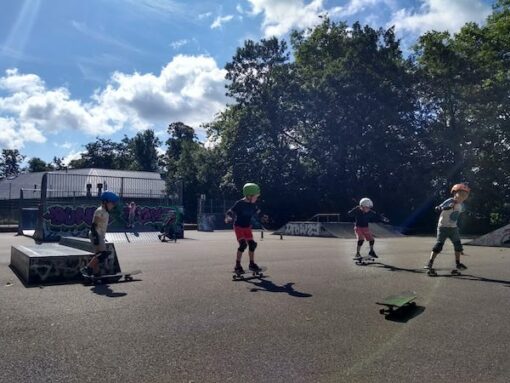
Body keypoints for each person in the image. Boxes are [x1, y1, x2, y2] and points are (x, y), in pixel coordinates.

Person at [425, 183, 470, 272]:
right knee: (438, 246)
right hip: (443, 228)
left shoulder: (462, 206)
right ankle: (430, 263)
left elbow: (461, 212)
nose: (462, 197)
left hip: (453, 229)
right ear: (454, 193)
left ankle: (458, 263)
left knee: (458, 246)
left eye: (464, 196)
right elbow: (439, 207)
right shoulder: (450, 201)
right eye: (460, 195)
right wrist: (443, 207)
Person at [225, 183, 266, 275]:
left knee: (252, 245)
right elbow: (230, 211)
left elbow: (258, 212)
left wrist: (263, 217)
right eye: (255, 196)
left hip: (247, 227)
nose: (256, 198)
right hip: (239, 227)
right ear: (249, 195)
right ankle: (237, 265)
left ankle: (251, 264)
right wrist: (228, 217)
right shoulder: (240, 203)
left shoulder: (253, 204)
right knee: (243, 245)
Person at [80, 191, 119, 277]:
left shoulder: (105, 211)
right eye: (112, 203)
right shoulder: (100, 211)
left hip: (98, 234)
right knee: (103, 254)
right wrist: (96, 237)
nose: (113, 205)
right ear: (105, 202)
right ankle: (88, 268)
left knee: (98, 255)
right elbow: (94, 225)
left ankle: (96, 273)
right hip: (96, 234)